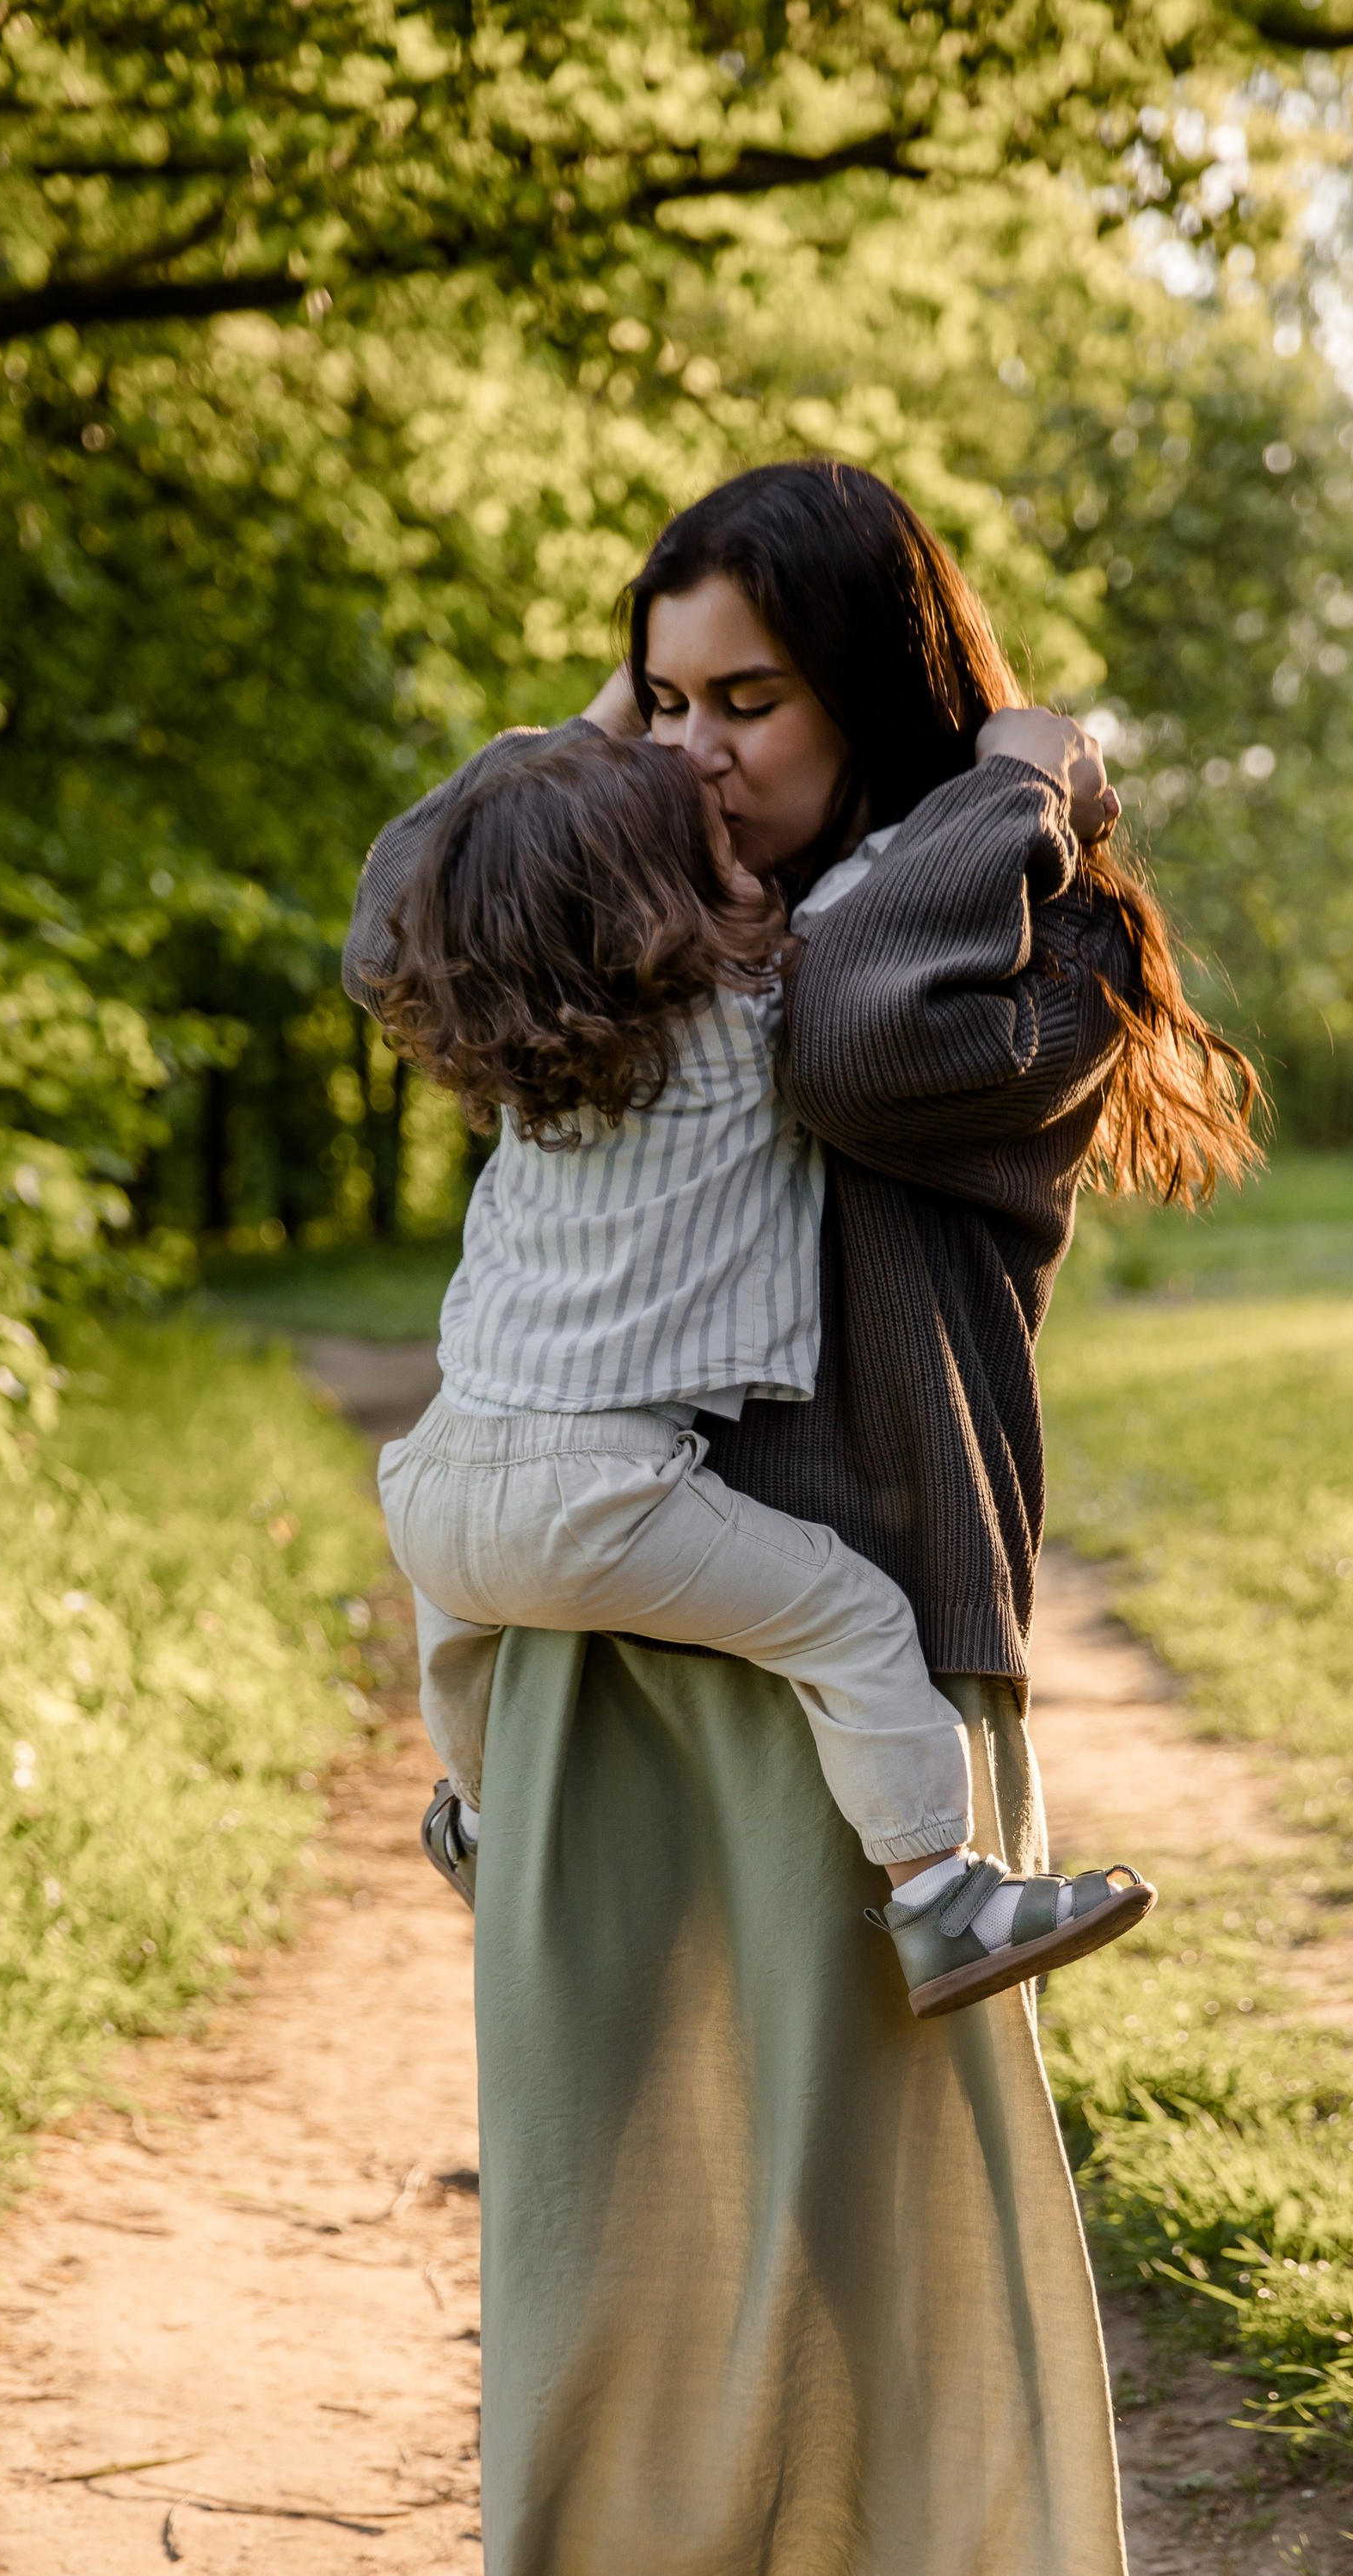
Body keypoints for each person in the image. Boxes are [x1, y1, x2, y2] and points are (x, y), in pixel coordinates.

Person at [342, 457, 1260, 2576]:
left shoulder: (993, 947)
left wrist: (1024, 781)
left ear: (882, 702)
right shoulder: (643, 911)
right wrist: (632, 765)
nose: (692, 750)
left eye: (749, 700)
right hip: (603, 1642)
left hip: (867, 1671)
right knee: (589, 2232)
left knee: (893, 2235)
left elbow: (852, 1048)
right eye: (659, 696)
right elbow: (453, 900)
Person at [363, 718, 1157, 2019]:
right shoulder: (753, 1017)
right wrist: (1023, 782)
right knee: (851, 1619)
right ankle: (943, 1898)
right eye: (722, 862)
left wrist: (595, 720)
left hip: (434, 1484)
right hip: (592, 1496)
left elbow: (435, 876)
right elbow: (887, 911)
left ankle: (484, 1825)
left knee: (463, 1652)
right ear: (655, 920)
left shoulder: (528, 1063)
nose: (755, 875)